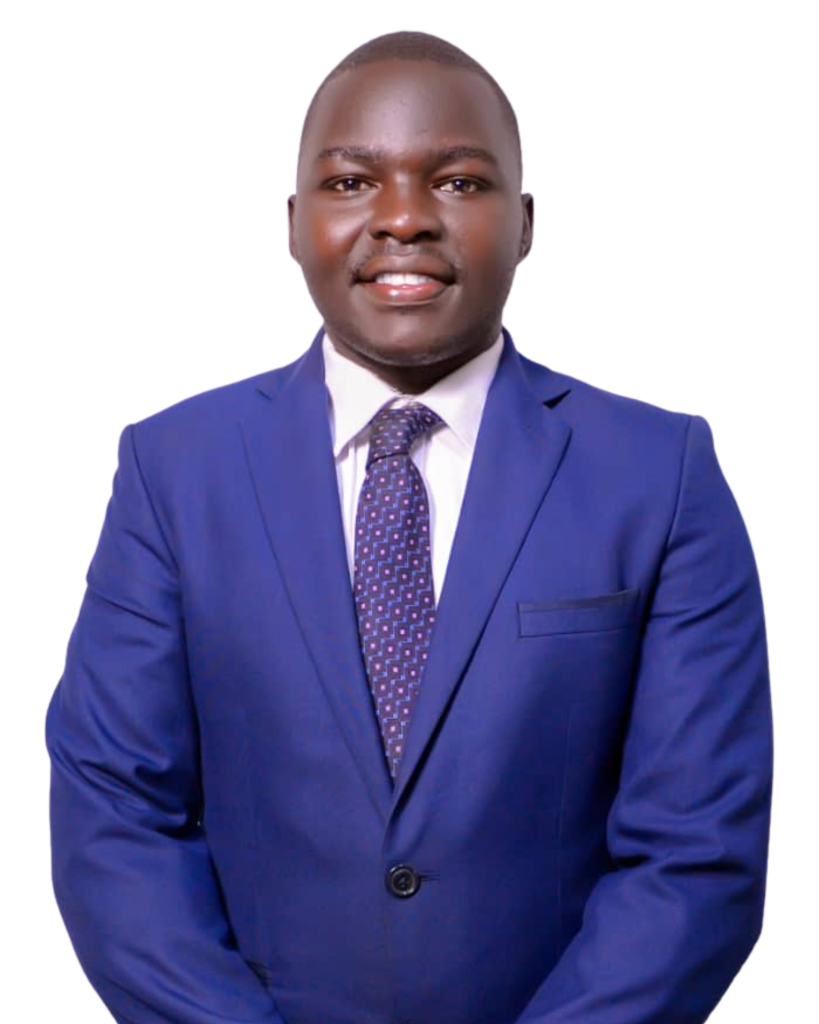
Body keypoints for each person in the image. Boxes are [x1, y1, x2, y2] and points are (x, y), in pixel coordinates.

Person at [46, 29, 773, 1024]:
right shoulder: (173, 470)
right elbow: (114, 815)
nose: (401, 218)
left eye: (459, 183)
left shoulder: (659, 475)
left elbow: (698, 853)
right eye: (351, 183)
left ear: (524, 224)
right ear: (294, 222)